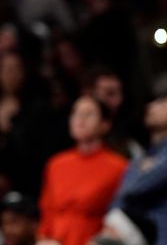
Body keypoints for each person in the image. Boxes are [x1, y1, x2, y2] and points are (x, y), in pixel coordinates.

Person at [38, 96, 128, 245]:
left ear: (105, 124)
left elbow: (119, 218)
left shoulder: (119, 167)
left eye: (88, 114)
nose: (80, 120)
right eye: (76, 113)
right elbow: (47, 211)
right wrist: (44, 239)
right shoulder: (56, 164)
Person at [109, 95, 167, 245]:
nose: (151, 107)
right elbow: (120, 198)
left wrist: (140, 172)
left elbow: (135, 188)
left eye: (163, 104)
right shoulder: (141, 157)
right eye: (152, 103)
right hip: (138, 236)